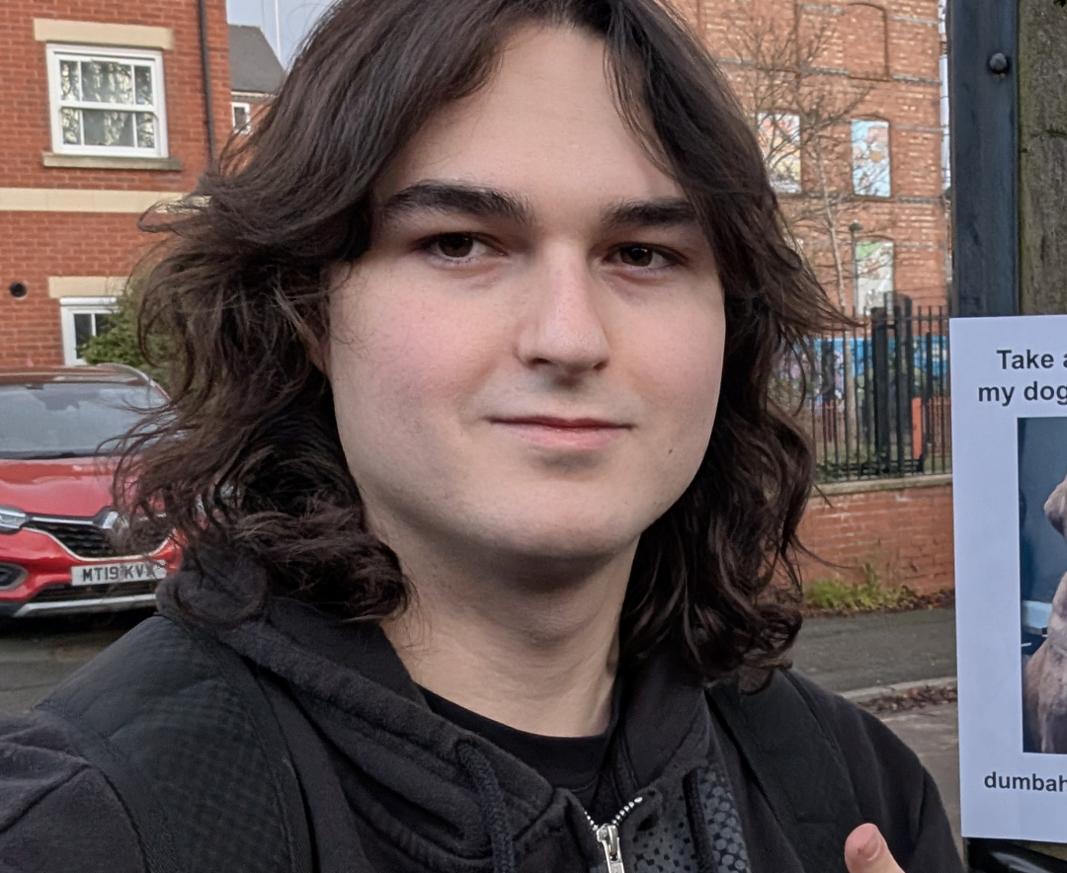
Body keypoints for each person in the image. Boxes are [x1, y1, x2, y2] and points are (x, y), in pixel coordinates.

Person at [0, 0, 961, 871]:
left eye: (642, 254)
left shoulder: (851, 795)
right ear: (307, 309)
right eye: (459, 242)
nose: (568, 337)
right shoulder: (95, 827)